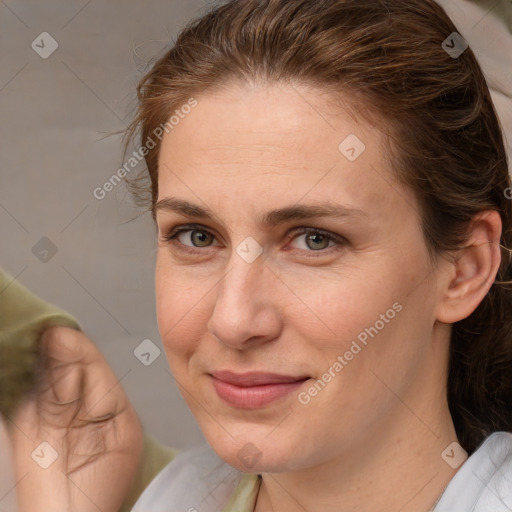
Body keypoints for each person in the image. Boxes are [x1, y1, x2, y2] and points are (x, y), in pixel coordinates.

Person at [2, 0, 512, 510]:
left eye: (315, 239)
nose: (233, 319)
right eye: (197, 237)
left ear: (464, 270)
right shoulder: (171, 497)